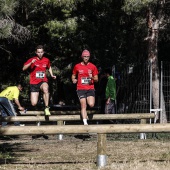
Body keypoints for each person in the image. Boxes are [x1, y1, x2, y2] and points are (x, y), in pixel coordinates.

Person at [22, 45, 56, 116]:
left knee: (45, 89)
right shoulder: (32, 59)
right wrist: (31, 63)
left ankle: (46, 107)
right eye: (38, 52)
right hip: (34, 83)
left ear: (43, 52)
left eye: (41, 52)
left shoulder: (46, 60)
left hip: (43, 81)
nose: (40, 54)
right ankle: (29, 107)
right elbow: (24, 68)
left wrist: (52, 74)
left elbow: (49, 67)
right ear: (36, 52)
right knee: (34, 103)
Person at [72, 50, 98, 125]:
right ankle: (85, 122)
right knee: (83, 105)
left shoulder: (93, 66)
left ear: (89, 57)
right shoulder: (77, 66)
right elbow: (73, 75)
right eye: (85, 56)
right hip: (80, 88)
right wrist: (73, 79)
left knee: (91, 104)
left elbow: (96, 79)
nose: (86, 58)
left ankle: (85, 116)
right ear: (82, 57)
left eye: (87, 57)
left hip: (90, 88)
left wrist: (92, 77)